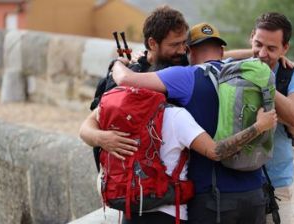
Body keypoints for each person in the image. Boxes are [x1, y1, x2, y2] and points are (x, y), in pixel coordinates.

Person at [111, 22, 272, 224]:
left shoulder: (186, 76)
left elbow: (125, 79)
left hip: (213, 199)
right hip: (255, 193)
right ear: (222, 50)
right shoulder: (247, 75)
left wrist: (117, 63)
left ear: (188, 51)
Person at [84, 81, 277, 223]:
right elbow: (216, 151)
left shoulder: (117, 109)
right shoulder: (176, 116)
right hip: (168, 213)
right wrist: (259, 127)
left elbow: (84, 130)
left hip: (128, 209)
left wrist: (102, 138)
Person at [86, 5, 189, 170]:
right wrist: (103, 138)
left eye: (184, 43)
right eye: (175, 45)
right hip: (128, 181)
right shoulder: (129, 75)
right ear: (152, 43)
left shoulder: (184, 66)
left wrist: (246, 54)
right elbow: (86, 128)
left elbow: (216, 57)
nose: (182, 50)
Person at [247, 13, 294, 224]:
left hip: (275, 186)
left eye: (272, 49)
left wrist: (262, 79)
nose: (262, 53)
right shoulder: (236, 67)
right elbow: (210, 57)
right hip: (233, 186)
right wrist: (249, 60)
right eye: (258, 44)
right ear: (251, 38)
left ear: (285, 49)